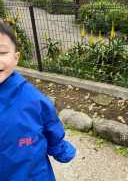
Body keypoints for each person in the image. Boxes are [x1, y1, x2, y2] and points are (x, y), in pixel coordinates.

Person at [0, 21, 76, 180]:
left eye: (1, 52)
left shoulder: (34, 100)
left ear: (16, 58)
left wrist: (60, 149)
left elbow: (51, 126)